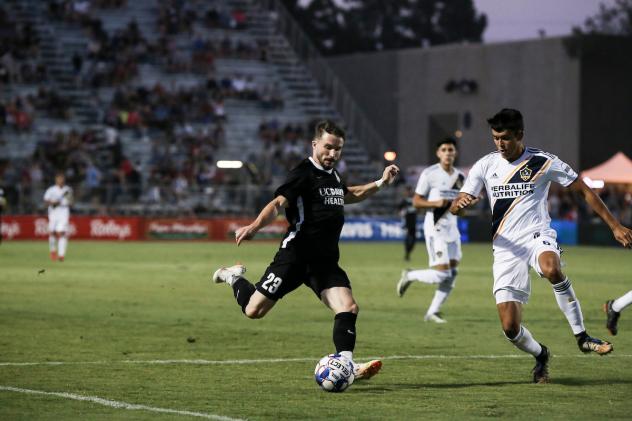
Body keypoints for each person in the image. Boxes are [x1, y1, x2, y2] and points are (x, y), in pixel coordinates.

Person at [450, 108, 632, 384]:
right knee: (510, 328)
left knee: (551, 268)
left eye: (505, 138)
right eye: (495, 138)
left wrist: (615, 226)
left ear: (520, 134)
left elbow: (582, 188)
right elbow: (458, 203)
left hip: (537, 235)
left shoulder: (542, 161)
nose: (499, 144)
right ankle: (541, 355)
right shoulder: (485, 165)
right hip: (505, 249)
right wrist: (460, 206)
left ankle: (582, 336)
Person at [212, 120, 399, 380]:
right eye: (328, 147)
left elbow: (348, 194)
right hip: (295, 257)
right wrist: (255, 227)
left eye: (338, 149)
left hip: (324, 262)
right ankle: (232, 275)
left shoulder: (332, 175)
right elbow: (278, 203)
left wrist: (380, 182)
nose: (332, 154)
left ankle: (347, 364)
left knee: (348, 307)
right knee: (254, 311)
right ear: (315, 144)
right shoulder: (303, 172)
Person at [396, 138, 466, 323]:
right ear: (438, 153)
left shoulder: (460, 177)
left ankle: (432, 312)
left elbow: (461, 209)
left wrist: (465, 204)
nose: (448, 152)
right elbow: (416, 201)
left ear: (455, 152)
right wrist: (435, 203)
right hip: (436, 229)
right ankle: (410, 275)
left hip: (453, 230)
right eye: (444, 149)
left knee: (453, 273)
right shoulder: (430, 173)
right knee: (442, 274)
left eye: (451, 149)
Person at [43, 173, 73, 261]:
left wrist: (67, 202)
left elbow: (71, 201)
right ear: (56, 180)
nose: (60, 181)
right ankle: (53, 251)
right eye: (59, 179)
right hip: (53, 213)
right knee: (52, 232)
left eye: (62, 179)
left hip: (64, 212)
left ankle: (61, 255)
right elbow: (46, 201)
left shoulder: (68, 190)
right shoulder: (51, 190)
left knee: (61, 233)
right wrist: (53, 203)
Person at [398, 185, 418, 261]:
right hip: (407, 223)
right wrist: (401, 213)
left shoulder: (414, 200)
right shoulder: (405, 201)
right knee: (408, 239)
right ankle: (407, 254)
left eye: (409, 191)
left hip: (413, 223)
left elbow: (418, 209)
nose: (408, 192)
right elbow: (399, 209)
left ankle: (408, 253)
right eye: (407, 191)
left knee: (413, 240)